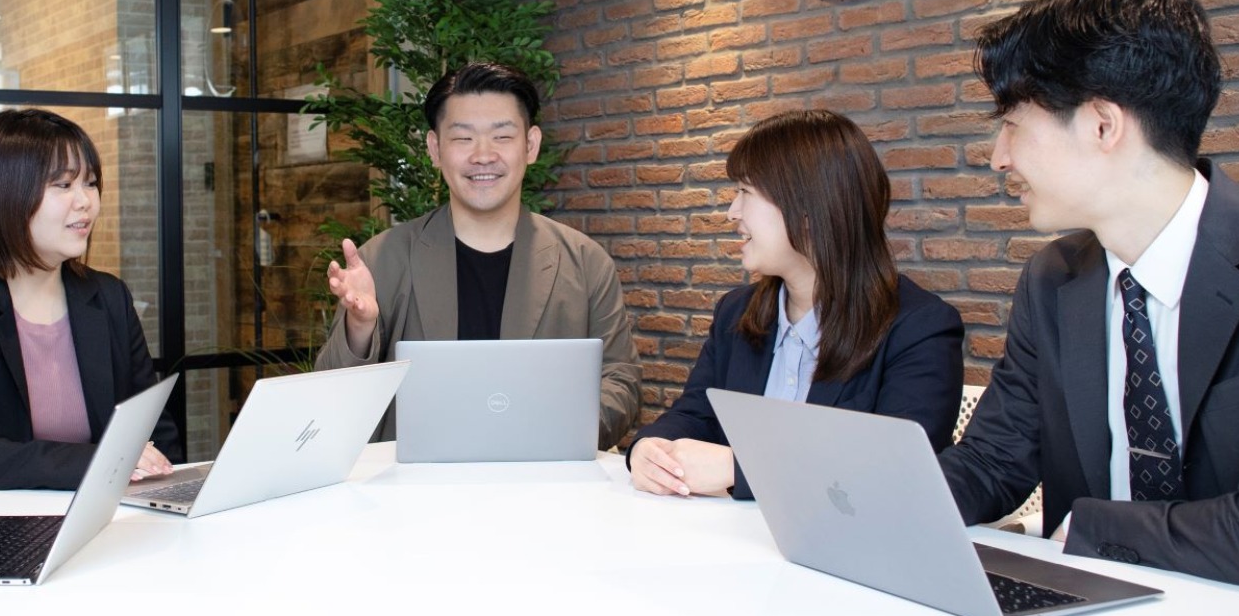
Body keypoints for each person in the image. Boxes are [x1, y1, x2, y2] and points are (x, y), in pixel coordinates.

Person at [937, 0, 1239, 605]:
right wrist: (870, 497)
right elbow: (993, 463)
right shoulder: (1052, 279)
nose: (999, 157)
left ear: (1102, 125)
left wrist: (1092, 527)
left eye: (1012, 125)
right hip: (1112, 599)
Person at [627, 110, 964, 498]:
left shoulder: (919, 329)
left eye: (746, 192)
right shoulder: (736, 314)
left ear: (808, 208)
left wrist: (740, 469)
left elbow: (896, 472)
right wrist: (650, 449)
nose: (732, 212)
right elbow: (694, 415)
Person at [317, 62, 642, 449]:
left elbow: (621, 382)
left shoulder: (585, 263)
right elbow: (330, 403)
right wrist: (360, 329)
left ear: (531, 145)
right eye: (463, 138)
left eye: (502, 136)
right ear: (435, 149)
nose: (483, 155)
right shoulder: (384, 258)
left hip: (543, 479)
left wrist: (555, 435)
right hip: (417, 483)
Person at [0, 108, 178, 491]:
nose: (86, 201)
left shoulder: (108, 297)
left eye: (91, 183)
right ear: (4, 194)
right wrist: (96, 462)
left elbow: (153, 431)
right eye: (63, 184)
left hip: (104, 515)